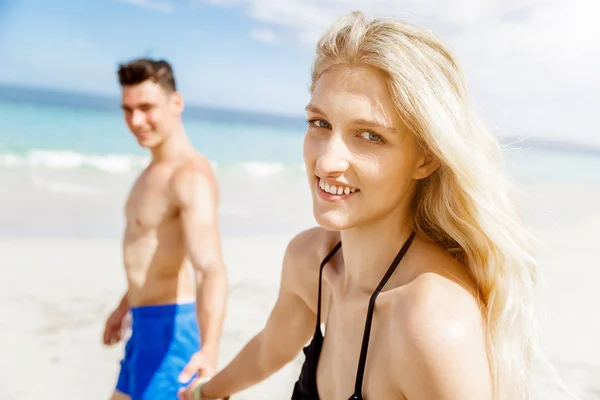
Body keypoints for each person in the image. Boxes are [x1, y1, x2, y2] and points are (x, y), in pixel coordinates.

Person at [180, 10, 539, 400]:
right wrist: (204, 393)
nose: (326, 162)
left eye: (369, 135)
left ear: (425, 158)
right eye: (320, 123)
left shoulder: (432, 324)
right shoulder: (310, 261)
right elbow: (271, 347)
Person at [102, 58, 229, 400]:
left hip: (171, 332)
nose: (136, 121)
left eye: (146, 107)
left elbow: (209, 268)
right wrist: (124, 306)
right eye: (127, 110)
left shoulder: (190, 176)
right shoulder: (150, 172)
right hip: (142, 327)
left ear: (176, 103)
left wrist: (210, 350)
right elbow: (153, 253)